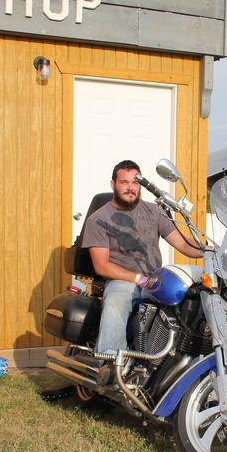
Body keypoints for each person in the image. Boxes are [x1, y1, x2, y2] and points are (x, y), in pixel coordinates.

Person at [82, 159, 202, 378]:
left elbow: (183, 244)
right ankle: (109, 365)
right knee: (118, 299)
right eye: (124, 182)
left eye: (135, 182)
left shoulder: (155, 211)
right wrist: (137, 278)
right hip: (122, 280)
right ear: (113, 185)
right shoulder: (99, 219)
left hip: (154, 280)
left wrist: (208, 250)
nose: (130, 187)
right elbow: (101, 266)